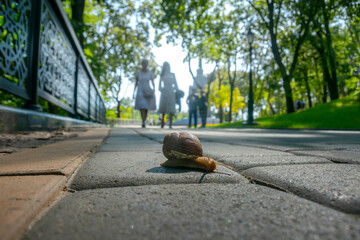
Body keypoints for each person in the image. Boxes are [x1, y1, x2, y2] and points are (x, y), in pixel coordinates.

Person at [134, 59, 156, 128]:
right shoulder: (138, 73)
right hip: (140, 90)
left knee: (146, 107)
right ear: (142, 64)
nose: (145, 65)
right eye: (143, 64)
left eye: (146, 64)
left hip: (148, 89)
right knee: (141, 106)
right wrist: (134, 92)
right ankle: (143, 121)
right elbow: (136, 82)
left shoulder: (150, 73)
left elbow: (152, 82)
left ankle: (144, 119)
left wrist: (153, 89)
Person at [158, 62, 178, 128]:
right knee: (163, 108)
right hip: (164, 91)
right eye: (165, 66)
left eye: (167, 66)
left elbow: (176, 84)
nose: (166, 67)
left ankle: (170, 124)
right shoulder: (162, 75)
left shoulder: (173, 74)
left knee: (171, 108)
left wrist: (175, 89)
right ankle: (162, 124)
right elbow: (159, 86)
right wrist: (162, 90)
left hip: (171, 92)